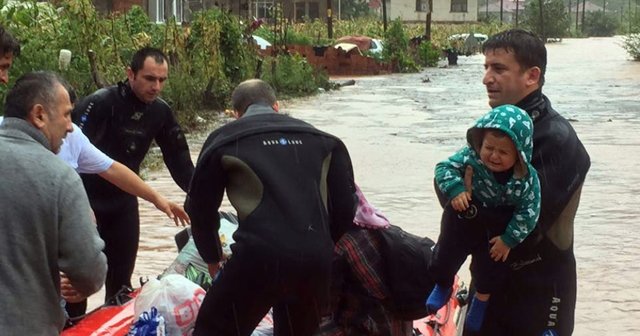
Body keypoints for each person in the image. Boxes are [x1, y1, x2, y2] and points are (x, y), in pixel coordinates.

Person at [185, 79, 357, 336]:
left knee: (213, 329)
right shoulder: (322, 139)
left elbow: (200, 209)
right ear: (277, 106)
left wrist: (212, 258)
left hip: (258, 259)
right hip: (314, 262)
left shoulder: (226, 139)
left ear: (236, 114)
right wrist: (317, 245)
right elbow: (346, 207)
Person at [457, 29, 591, 336]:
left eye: (499, 68)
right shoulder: (496, 131)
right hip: (490, 283)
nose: (487, 78)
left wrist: (463, 207)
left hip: (539, 295)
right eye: (486, 67)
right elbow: (450, 186)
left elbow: (520, 228)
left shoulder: (556, 140)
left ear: (532, 76)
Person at [71, 47, 194, 308]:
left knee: (121, 288)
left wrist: (203, 200)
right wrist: (75, 205)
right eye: (150, 79)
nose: (157, 87)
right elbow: (64, 157)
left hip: (123, 205)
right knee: (76, 287)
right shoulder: (99, 104)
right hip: (85, 203)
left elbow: (180, 162)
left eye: (162, 80)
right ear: (130, 74)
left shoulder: (160, 112)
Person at [0, 71, 107, 334]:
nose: (70, 126)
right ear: (39, 115)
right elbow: (89, 272)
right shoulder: (59, 177)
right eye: (67, 114)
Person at [426, 104, 541, 332]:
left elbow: (530, 211)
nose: (493, 156)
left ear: (519, 155)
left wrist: (509, 239)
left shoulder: (527, 178)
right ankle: (443, 283)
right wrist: (456, 189)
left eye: (503, 152)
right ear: (480, 143)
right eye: (489, 147)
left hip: (496, 227)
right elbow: (443, 168)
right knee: (446, 252)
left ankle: (481, 300)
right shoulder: (471, 157)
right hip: (467, 214)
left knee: (491, 267)